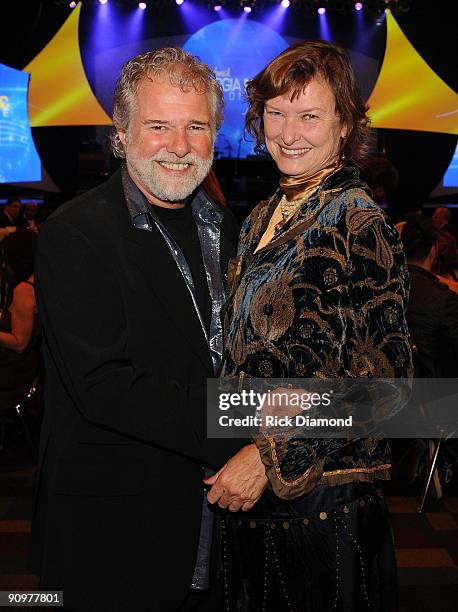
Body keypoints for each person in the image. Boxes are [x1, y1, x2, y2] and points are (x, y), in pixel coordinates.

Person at [31, 48, 263, 612]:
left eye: (196, 127)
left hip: (216, 518)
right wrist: (262, 422)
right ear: (121, 133)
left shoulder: (223, 225)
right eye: (159, 126)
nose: (179, 146)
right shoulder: (77, 233)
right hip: (115, 530)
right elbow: (106, 387)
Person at [206, 41, 412, 611]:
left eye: (310, 115)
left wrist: (268, 453)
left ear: (345, 125)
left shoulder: (357, 220)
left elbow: (388, 389)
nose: (289, 131)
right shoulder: (259, 219)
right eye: (276, 113)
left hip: (326, 506)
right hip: (258, 502)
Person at [0, 230, 39, 409]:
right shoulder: (40, 279)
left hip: (14, 374)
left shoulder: (24, 290)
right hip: (30, 367)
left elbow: (19, 343)